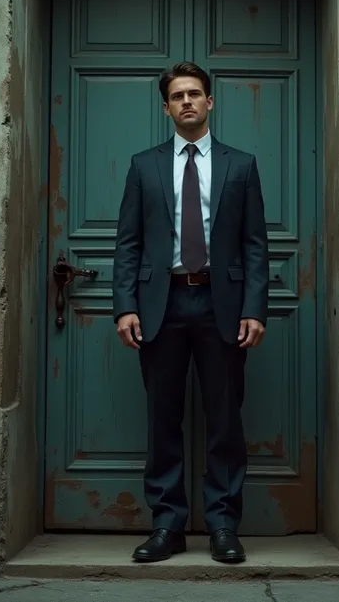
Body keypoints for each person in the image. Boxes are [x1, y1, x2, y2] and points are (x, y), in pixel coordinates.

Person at [113, 62, 268, 564]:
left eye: (195, 94)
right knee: (163, 420)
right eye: (177, 95)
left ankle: (223, 525)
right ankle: (167, 525)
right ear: (166, 107)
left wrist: (254, 308)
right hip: (162, 305)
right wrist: (124, 307)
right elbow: (128, 244)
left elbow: (255, 246)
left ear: (210, 102)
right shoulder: (144, 165)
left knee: (224, 420)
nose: (186, 102)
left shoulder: (240, 165)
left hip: (221, 305)